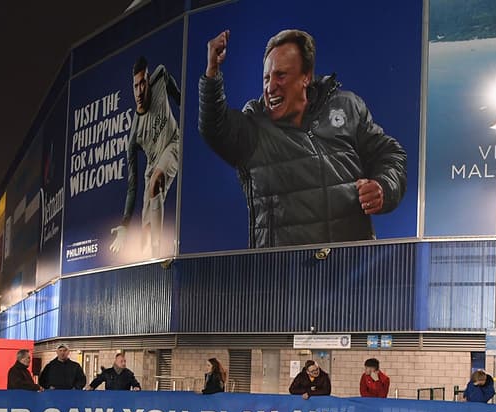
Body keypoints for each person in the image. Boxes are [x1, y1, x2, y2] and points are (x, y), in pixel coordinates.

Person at [198, 28, 407, 248]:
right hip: (284, 274)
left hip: (351, 270)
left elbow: (391, 155)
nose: (270, 87)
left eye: (281, 75)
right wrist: (212, 73)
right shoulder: (254, 127)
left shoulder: (347, 107)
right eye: (266, 77)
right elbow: (215, 128)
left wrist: (383, 186)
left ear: (306, 77)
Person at [115, 56, 182, 258]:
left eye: (143, 82)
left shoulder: (160, 76)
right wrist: (125, 224)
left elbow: (175, 91)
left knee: (155, 182)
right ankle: (152, 259)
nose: (140, 90)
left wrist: (183, 104)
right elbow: (133, 185)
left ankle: (160, 253)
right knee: (144, 235)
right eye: (136, 86)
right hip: (151, 166)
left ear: (148, 78)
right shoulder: (134, 136)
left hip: (173, 143)